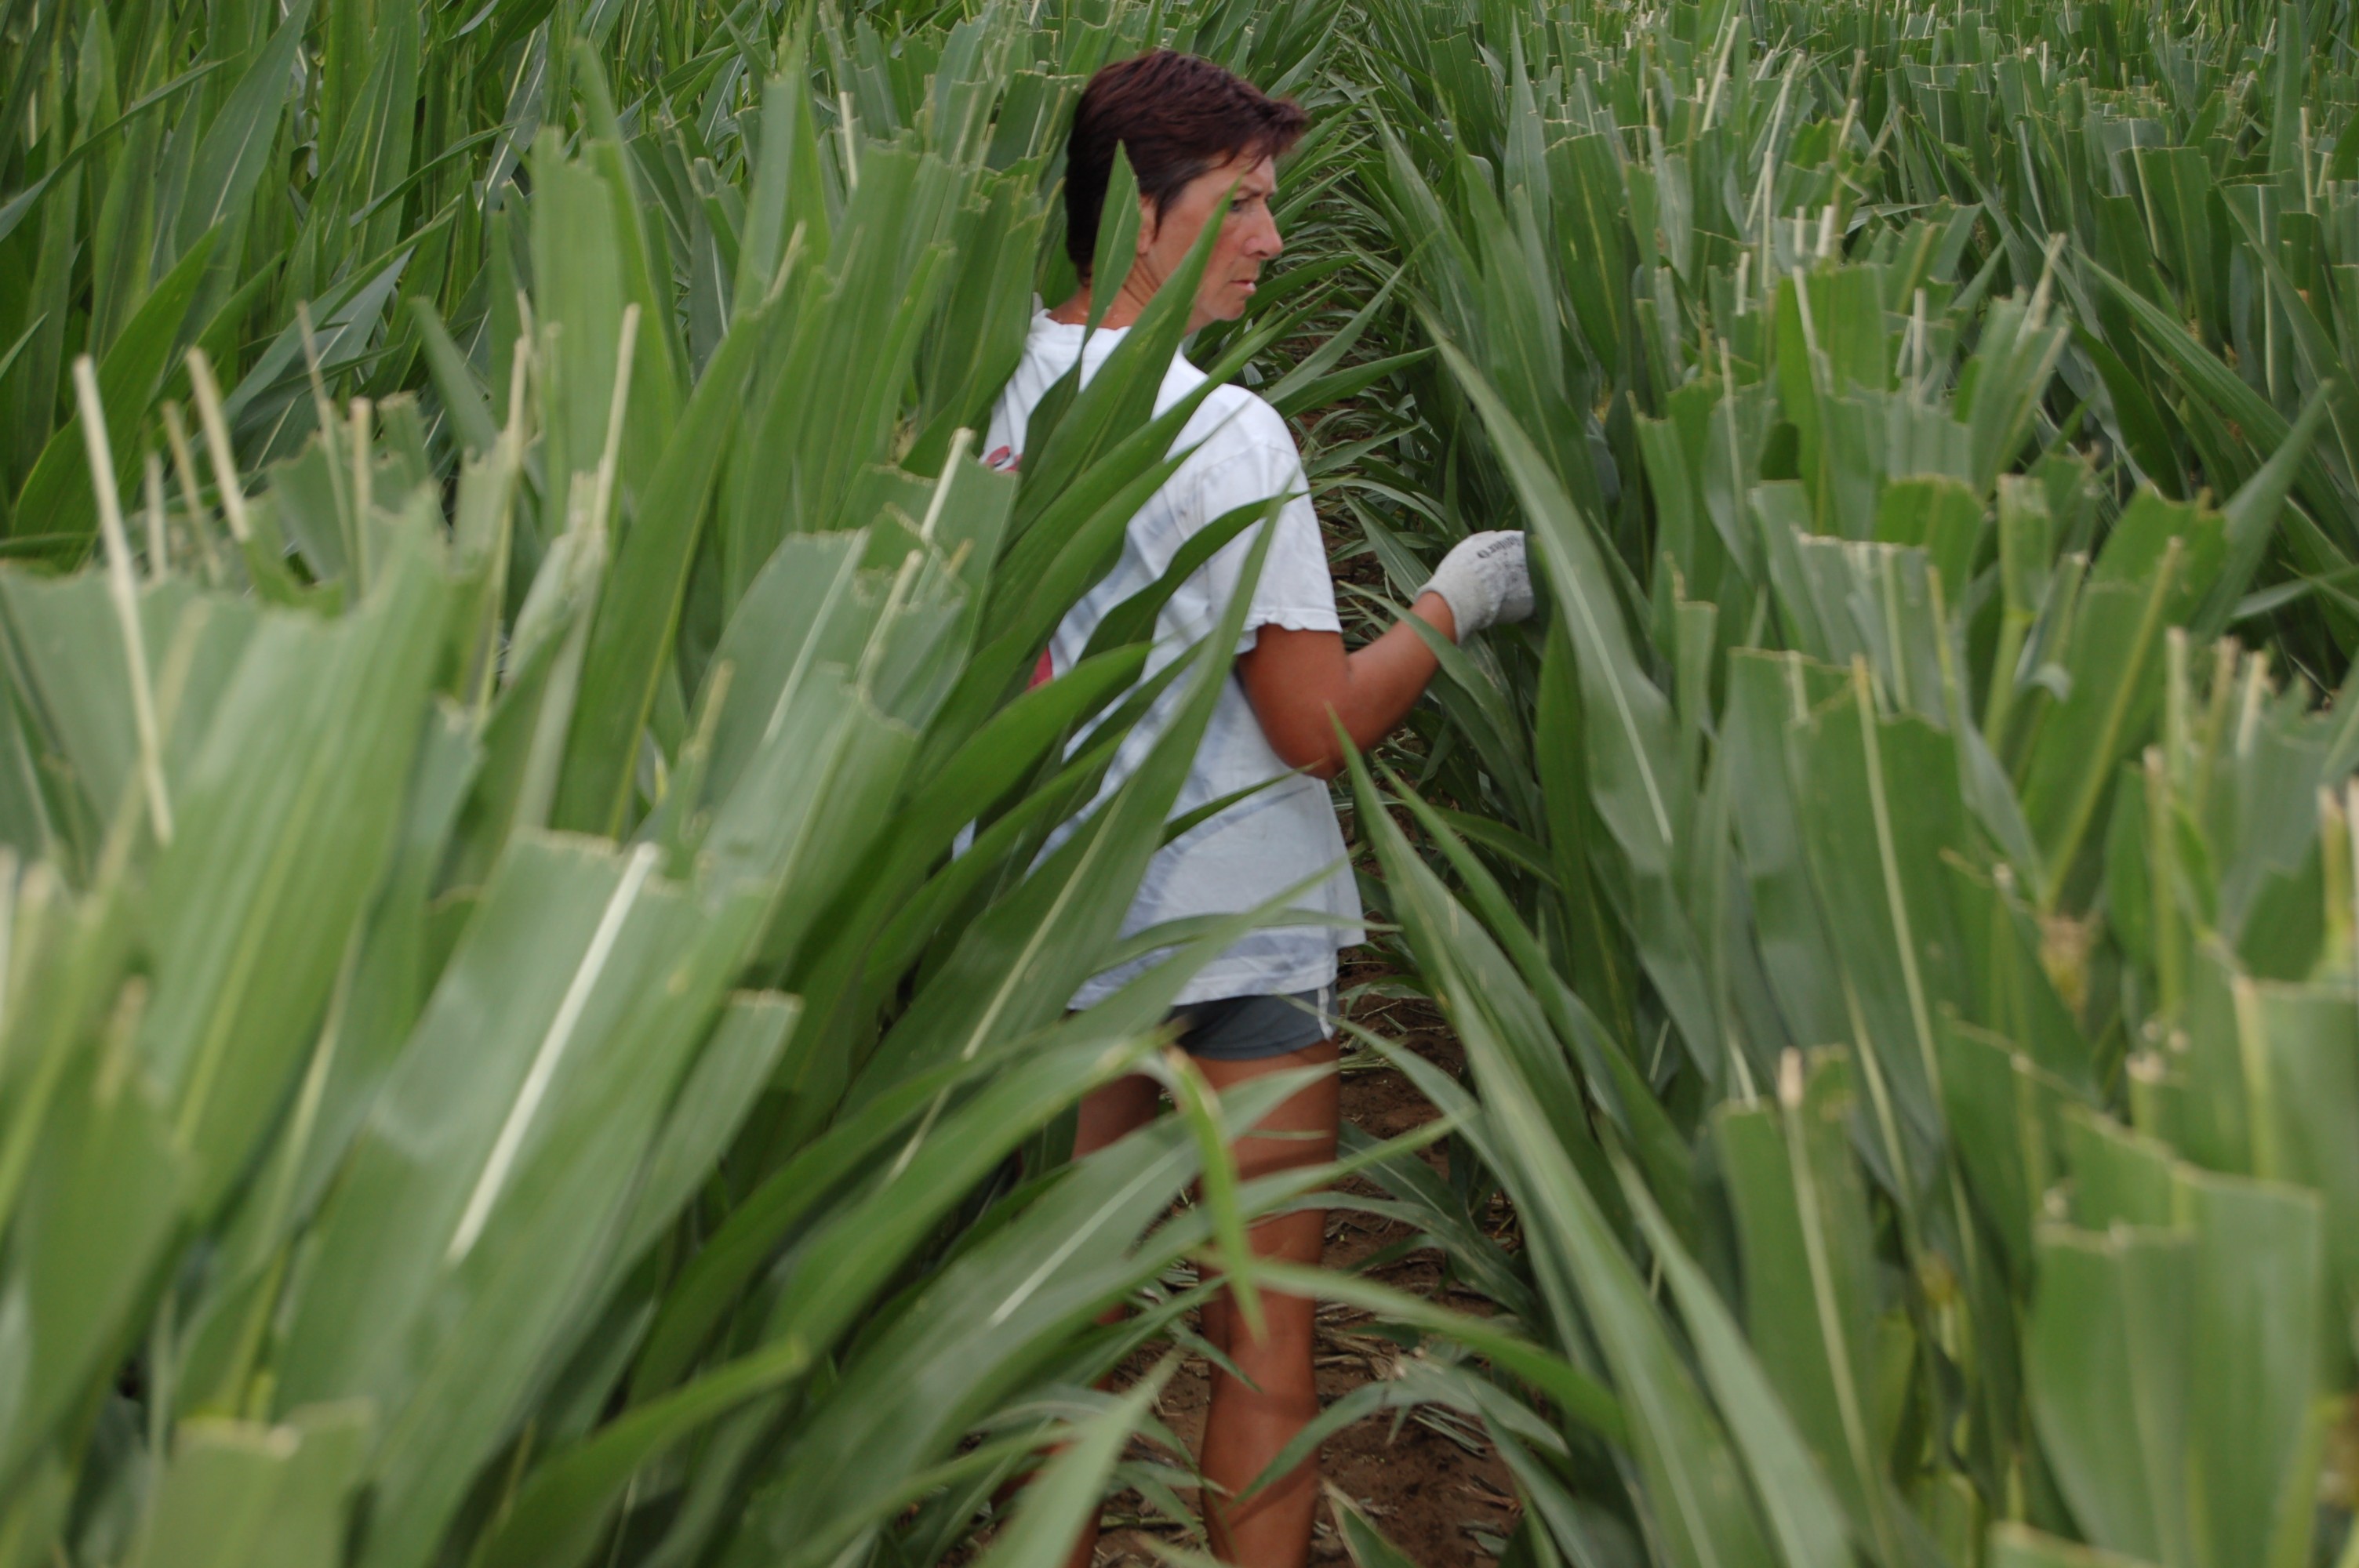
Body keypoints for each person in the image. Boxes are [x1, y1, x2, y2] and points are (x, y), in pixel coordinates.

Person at [984, 49, 1536, 1568]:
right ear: (1140, 219)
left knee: (1054, 1336)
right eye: (1245, 203)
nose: (1272, 240)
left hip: (1034, 938)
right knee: (1261, 1337)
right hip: (1231, 940)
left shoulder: (987, 386)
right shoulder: (1221, 432)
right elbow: (1311, 729)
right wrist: (1451, 602)